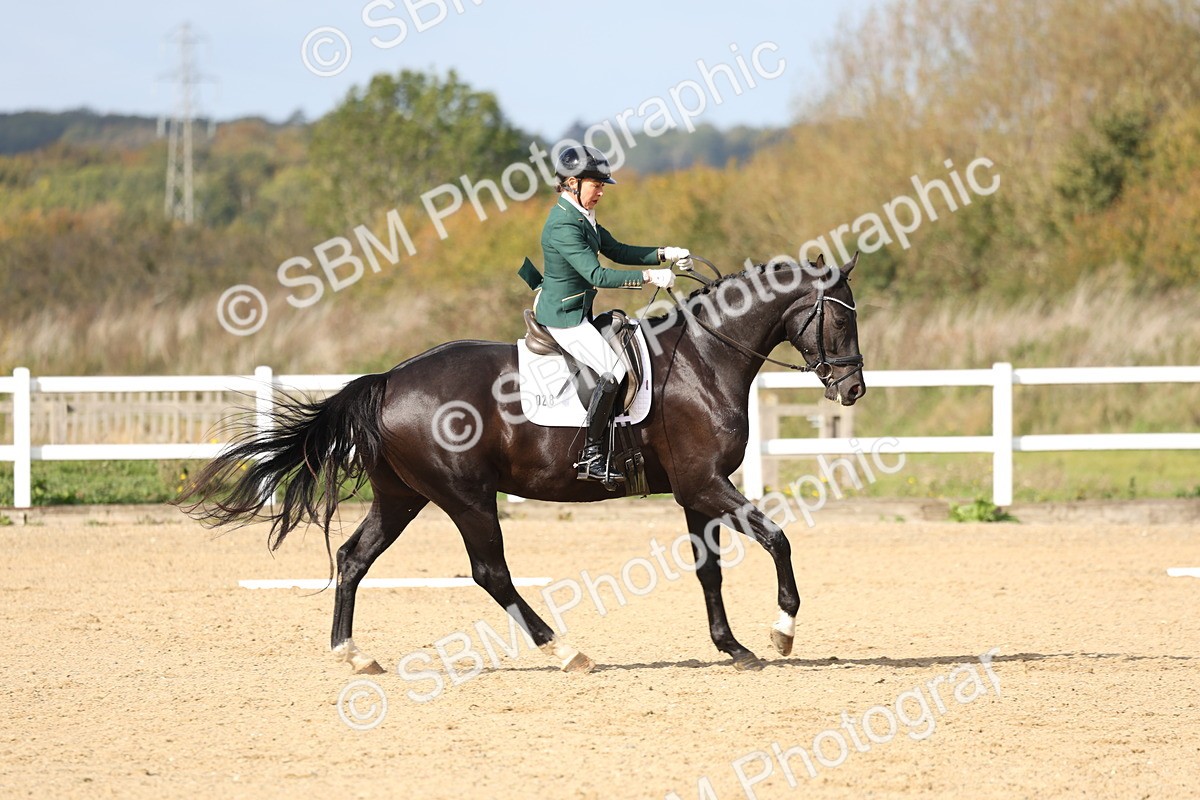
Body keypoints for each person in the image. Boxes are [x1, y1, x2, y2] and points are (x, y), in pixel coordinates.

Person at [518, 144, 689, 483]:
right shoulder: (563, 225)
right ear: (571, 183)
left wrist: (664, 253)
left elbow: (617, 250)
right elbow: (596, 275)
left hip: (577, 309)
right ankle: (592, 456)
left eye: (600, 185)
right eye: (594, 185)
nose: (599, 192)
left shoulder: (582, 217)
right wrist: (650, 277)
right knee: (613, 373)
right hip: (563, 317)